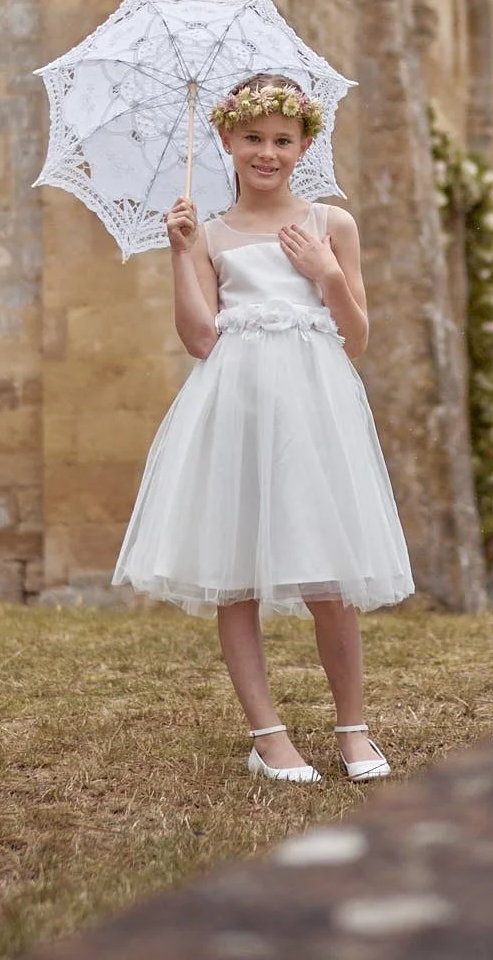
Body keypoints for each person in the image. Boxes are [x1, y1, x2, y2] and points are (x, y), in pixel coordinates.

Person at [110, 75, 414, 785]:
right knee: (236, 571)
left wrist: (326, 273)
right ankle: (269, 734)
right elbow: (198, 338)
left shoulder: (331, 225)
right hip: (237, 404)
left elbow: (357, 336)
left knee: (329, 571)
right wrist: (182, 253)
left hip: (313, 407)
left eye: (282, 140)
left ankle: (353, 727)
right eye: (253, 138)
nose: (267, 153)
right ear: (226, 141)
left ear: (305, 145)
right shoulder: (209, 233)